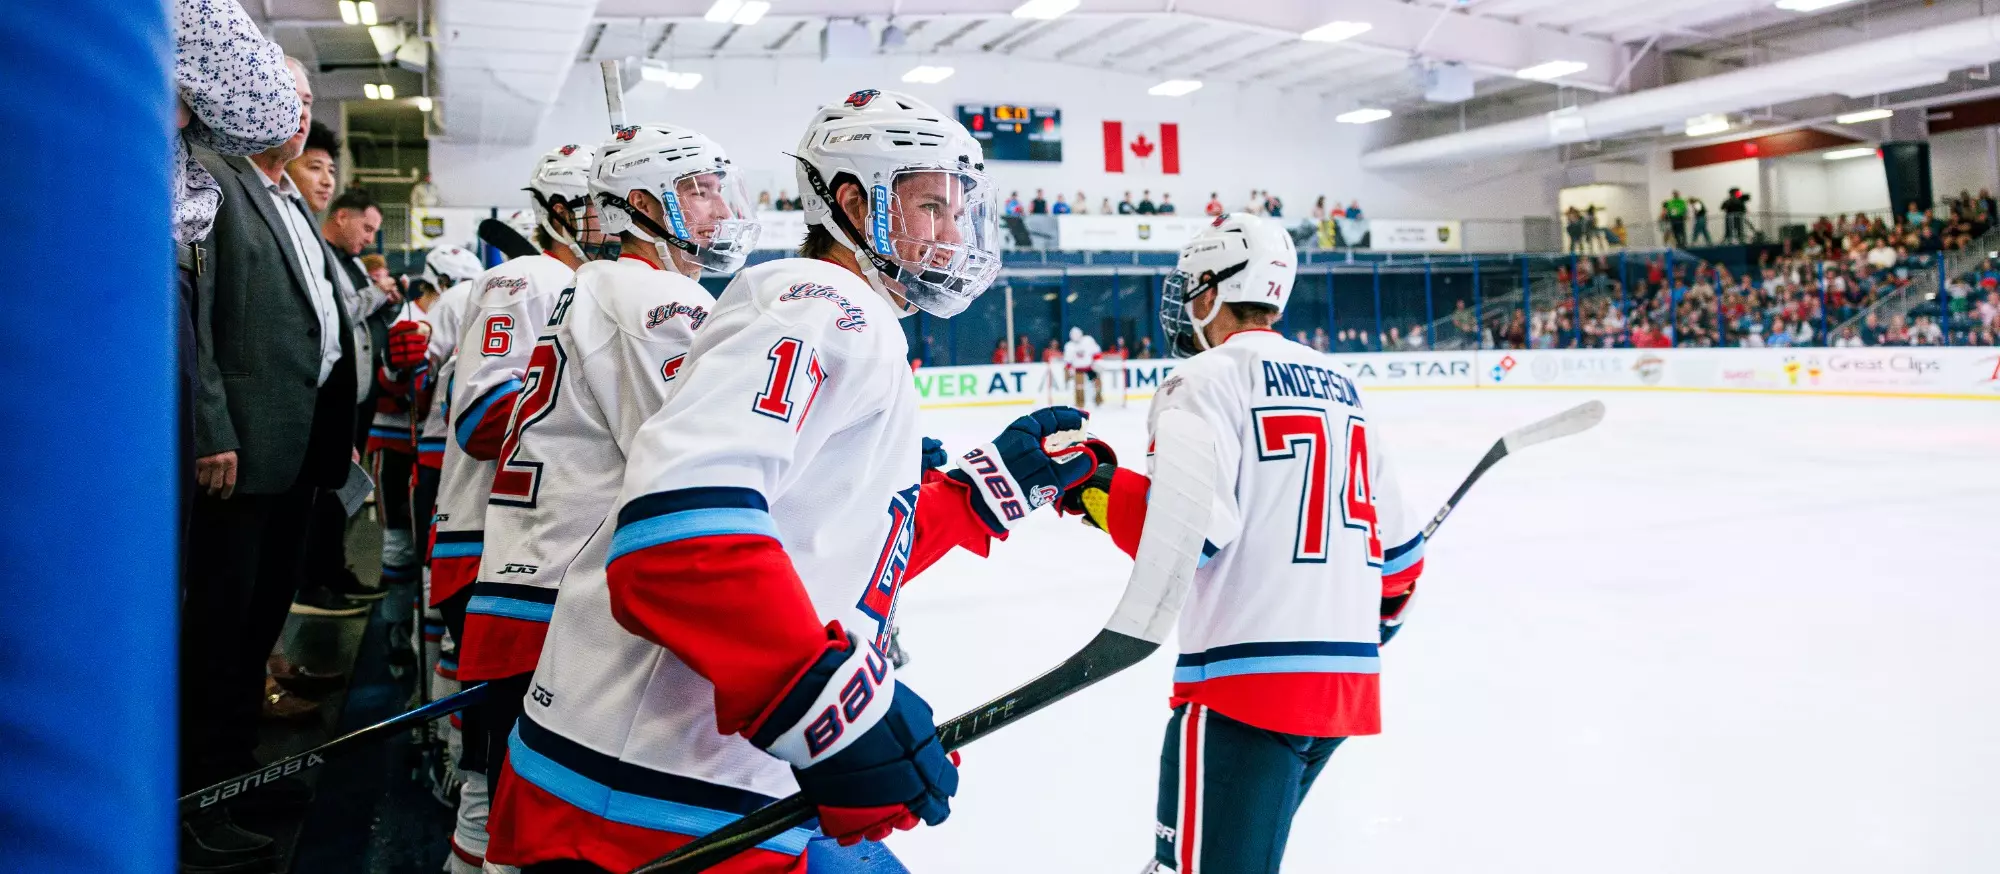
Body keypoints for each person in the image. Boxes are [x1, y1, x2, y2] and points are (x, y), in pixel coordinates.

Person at [486, 88, 1102, 873]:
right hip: (652, 799)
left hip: (685, 781)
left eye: (959, 211)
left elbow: (815, 546)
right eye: (931, 208)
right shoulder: (825, 307)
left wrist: (977, 495)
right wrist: (821, 706)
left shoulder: (835, 315)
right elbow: (677, 540)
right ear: (856, 203)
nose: (955, 233)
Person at [1061, 213, 1423, 874]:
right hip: (1341, 695)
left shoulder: (1201, 381)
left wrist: (1093, 488)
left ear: (1213, 290)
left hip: (1243, 692)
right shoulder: (1347, 390)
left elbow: (1184, 537)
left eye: (1191, 286)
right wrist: (1381, 615)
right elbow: (1399, 563)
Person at [471, 126, 754, 874]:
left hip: (525, 582)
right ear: (641, 203)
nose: (719, 207)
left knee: (508, 828)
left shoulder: (594, 286)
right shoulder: (656, 298)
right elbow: (698, 468)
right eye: (697, 189)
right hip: (568, 613)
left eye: (717, 186)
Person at [183, 55, 358, 866]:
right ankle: (196, 796)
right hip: (240, 450)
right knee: (220, 630)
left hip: (295, 452)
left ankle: (237, 771)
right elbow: (195, 316)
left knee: (257, 627)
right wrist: (211, 424)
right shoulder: (212, 179)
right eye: (287, 87)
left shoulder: (285, 196)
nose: (300, 106)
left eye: (308, 96)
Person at [417, 143, 608, 873]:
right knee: (496, 776)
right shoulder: (530, 278)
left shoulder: (588, 286)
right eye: (593, 203)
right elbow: (483, 415)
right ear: (558, 211)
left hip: (529, 555)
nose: (608, 219)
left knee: (509, 772)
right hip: (498, 553)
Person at [1065, 325, 1104, 406]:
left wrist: (1097, 362)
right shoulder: (1069, 346)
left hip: (1090, 367)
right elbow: (1068, 361)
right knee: (1079, 386)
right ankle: (1080, 403)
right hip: (1078, 369)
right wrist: (1069, 370)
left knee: (1097, 384)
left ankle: (1098, 399)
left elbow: (1096, 352)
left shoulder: (1088, 340)